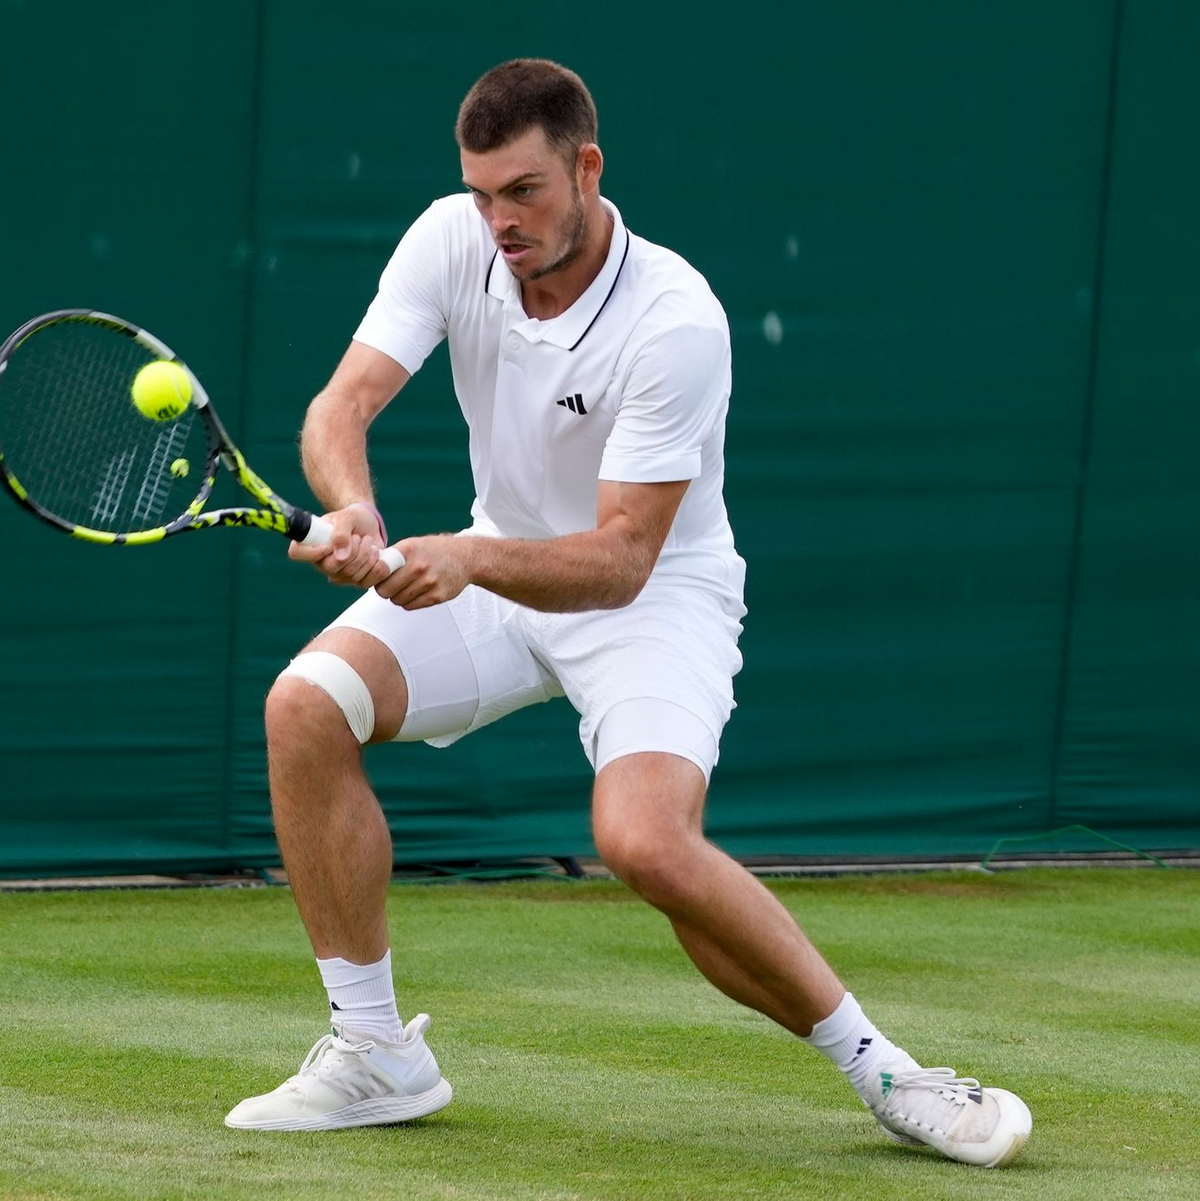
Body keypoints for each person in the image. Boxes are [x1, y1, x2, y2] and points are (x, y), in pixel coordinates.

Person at [223, 58, 1032, 1167]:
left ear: (587, 168)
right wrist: (352, 505)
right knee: (305, 706)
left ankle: (888, 1070)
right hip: (498, 574)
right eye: (482, 194)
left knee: (644, 841)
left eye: (524, 192)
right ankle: (375, 1054)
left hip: (654, 598)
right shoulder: (452, 240)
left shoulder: (675, 320)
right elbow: (339, 407)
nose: (500, 223)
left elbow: (617, 561)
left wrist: (466, 556)